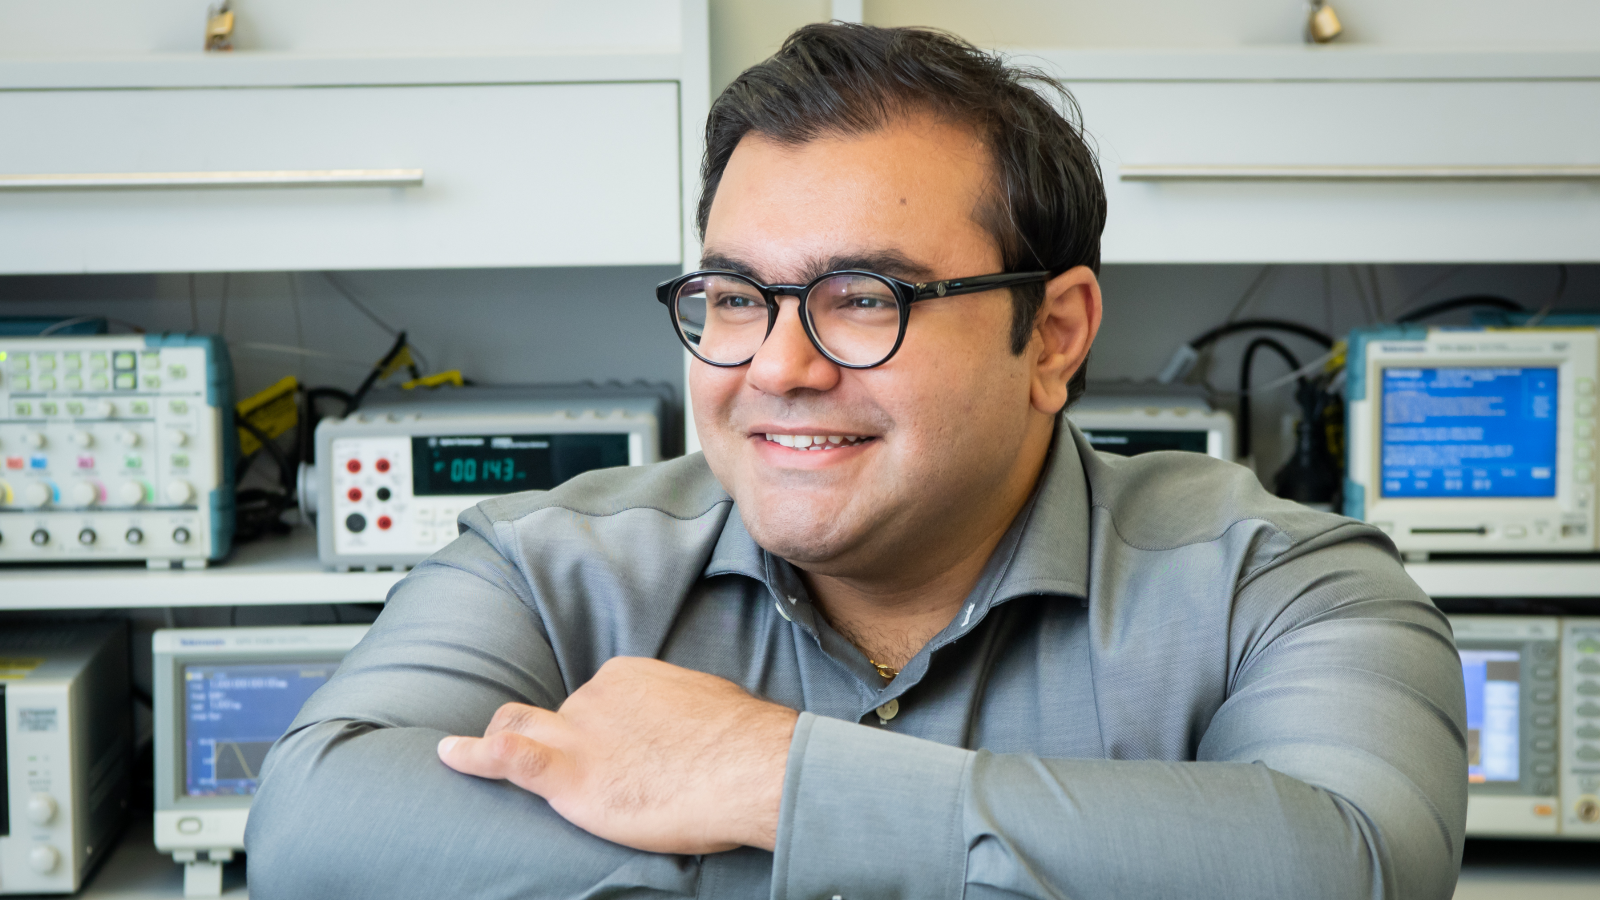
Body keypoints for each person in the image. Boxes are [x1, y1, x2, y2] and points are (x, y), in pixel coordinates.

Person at [247, 23, 1466, 900]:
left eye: (862, 296)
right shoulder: (543, 569)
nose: (776, 366)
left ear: (1051, 334)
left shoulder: (1287, 586)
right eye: (733, 296)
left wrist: (769, 775)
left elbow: (1351, 863)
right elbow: (316, 828)